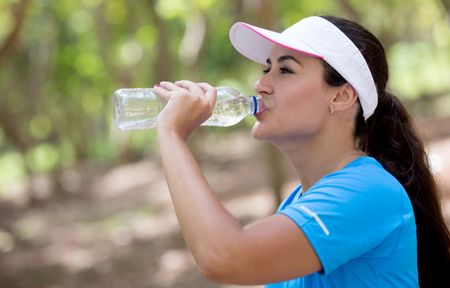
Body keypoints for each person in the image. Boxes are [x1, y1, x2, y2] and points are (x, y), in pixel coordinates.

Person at [153, 15, 450, 287]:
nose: (261, 84)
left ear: (342, 96)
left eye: (285, 70)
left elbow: (225, 257)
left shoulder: (368, 191)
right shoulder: (298, 203)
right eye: (267, 68)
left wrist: (172, 134)